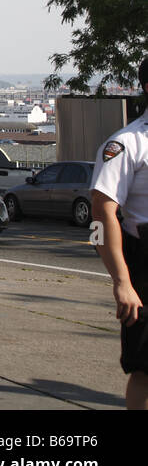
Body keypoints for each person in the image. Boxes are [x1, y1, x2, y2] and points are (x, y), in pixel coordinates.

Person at [90, 56, 148, 410]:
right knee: (144, 367)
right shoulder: (128, 143)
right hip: (144, 263)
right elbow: (100, 215)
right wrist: (121, 281)